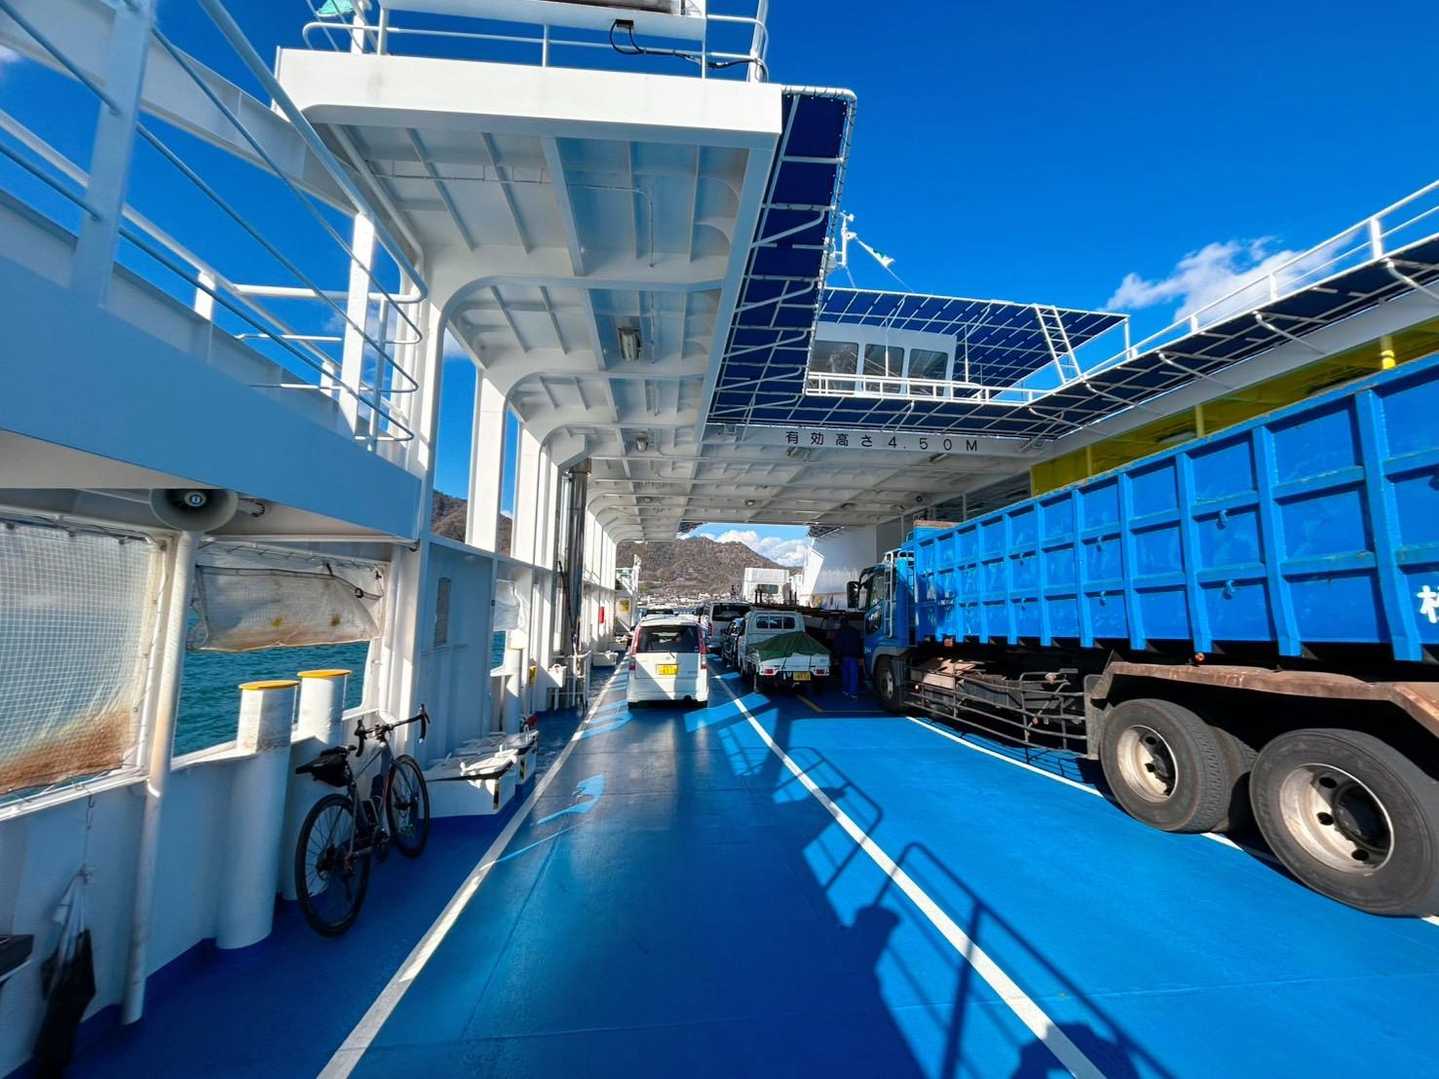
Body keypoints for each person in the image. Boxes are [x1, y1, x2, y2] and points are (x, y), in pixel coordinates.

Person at [832, 619, 863, 698]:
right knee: (854, 675)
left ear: (841, 624)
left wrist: (836, 657)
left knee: (845, 674)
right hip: (854, 656)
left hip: (843, 657)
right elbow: (859, 644)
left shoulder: (839, 632)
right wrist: (860, 657)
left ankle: (845, 690)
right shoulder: (855, 631)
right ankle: (853, 693)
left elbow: (837, 645)